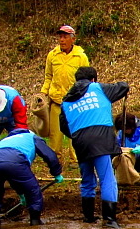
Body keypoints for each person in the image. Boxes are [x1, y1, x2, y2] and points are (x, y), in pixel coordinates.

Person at [60, 66, 129, 228]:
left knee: (87, 180)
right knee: (107, 178)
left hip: (80, 141)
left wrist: (79, 134)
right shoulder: (98, 88)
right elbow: (123, 86)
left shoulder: (66, 101)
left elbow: (63, 126)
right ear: (93, 79)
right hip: (101, 138)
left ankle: (88, 218)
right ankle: (110, 220)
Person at [0, 128, 63, 229]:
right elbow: (49, 155)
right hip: (16, 159)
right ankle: (35, 220)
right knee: (32, 189)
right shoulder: (31, 137)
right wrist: (56, 172)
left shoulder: (4, 140)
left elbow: (11, 175)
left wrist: (21, 193)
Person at [41, 25, 90, 158]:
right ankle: (54, 158)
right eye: (60, 37)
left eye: (65, 37)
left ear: (72, 39)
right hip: (56, 99)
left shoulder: (81, 57)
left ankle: (76, 158)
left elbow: (86, 78)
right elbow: (48, 76)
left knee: (75, 131)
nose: (62, 40)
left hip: (75, 100)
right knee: (55, 133)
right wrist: (43, 93)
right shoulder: (52, 55)